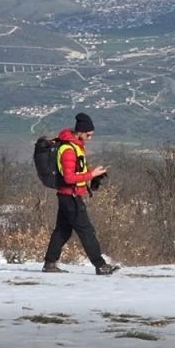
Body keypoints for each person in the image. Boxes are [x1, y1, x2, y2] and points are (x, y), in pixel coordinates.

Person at [42, 112, 119, 275]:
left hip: (67, 196)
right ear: (80, 132)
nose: (90, 138)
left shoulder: (74, 146)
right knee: (86, 231)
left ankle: (49, 263)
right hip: (71, 197)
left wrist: (93, 174)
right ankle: (100, 265)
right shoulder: (69, 150)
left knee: (62, 230)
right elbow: (69, 178)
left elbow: (76, 172)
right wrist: (91, 175)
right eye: (88, 135)